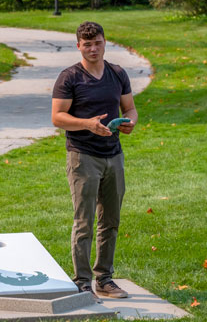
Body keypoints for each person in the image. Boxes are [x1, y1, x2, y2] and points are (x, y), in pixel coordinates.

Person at [51, 21, 138, 302]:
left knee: (110, 220)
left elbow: (130, 107)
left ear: (104, 42)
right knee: (84, 221)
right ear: (78, 46)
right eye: (87, 44)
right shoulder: (69, 78)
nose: (93, 48)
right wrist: (87, 124)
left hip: (113, 154)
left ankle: (105, 279)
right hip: (82, 155)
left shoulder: (117, 73)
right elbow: (57, 117)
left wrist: (131, 122)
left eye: (97, 43)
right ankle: (82, 282)